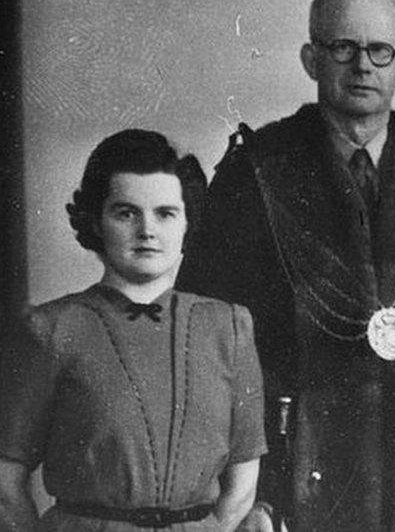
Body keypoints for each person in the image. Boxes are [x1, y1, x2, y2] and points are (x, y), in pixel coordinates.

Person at [176, 0, 395, 530]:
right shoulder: (255, 171)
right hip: (294, 458)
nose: (362, 66)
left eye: (381, 51)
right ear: (312, 58)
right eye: (342, 47)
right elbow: (209, 336)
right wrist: (246, 489)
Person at [0, 129, 266, 531]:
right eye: (126, 212)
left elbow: (243, 481)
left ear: (187, 222)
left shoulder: (229, 327)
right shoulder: (50, 329)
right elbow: (5, 482)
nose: (147, 230)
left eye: (165, 213)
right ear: (95, 220)